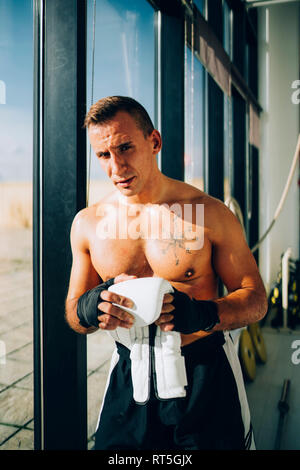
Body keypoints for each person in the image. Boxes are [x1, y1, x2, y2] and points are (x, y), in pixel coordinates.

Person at [65, 96, 267, 450]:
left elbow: (255, 300)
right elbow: (73, 314)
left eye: (125, 147)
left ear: (154, 142)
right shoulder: (88, 224)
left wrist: (204, 314)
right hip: (131, 377)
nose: (116, 167)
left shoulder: (210, 214)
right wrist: (90, 308)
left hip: (205, 375)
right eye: (103, 155)